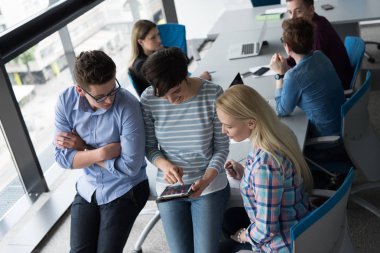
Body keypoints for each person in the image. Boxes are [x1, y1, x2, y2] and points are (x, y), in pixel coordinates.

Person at [54, 50, 149, 253]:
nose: (109, 100)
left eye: (112, 89)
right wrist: (101, 153)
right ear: (80, 91)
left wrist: (82, 150)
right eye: (100, 96)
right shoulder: (66, 101)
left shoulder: (128, 105)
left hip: (126, 188)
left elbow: (130, 167)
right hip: (89, 186)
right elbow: (62, 158)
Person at [140, 47, 230, 253]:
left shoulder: (212, 94)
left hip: (209, 183)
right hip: (170, 186)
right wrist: (165, 165)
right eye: (163, 96)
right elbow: (150, 147)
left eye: (175, 93)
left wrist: (206, 180)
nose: (171, 100)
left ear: (185, 76)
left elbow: (221, 148)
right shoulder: (148, 99)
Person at [216, 85, 313, 253]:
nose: (223, 131)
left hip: (284, 244)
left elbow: (266, 229)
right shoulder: (280, 133)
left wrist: (243, 235)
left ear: (251, 123)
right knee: (229, 218)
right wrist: (245, 172)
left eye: (228, 126)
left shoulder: (265, 166)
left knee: (218, 248)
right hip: (301, 221)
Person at [270, 18, 345, 138]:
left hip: (326, 137)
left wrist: (279, 75)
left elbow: (282, 111)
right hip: (343, 125)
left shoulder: (293, 76)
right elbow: (303, 76)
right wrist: (286, 70)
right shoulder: (320, 56)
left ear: (287, 47)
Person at [129, 19, 212, 96]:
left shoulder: (157, 50)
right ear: (140, 42)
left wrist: (161, 53)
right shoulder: (139, 65)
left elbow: (184, 59)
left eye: (158, 34)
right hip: (165, 101)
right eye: (153, 38)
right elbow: (169, 84)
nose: (159, 40)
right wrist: (200, 80)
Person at [285, 0, 353, 90]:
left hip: (336, 84)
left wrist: (286, 67)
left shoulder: (318, 31)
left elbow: (311, 68)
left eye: (298, 11)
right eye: (290, 12)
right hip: (326, 75)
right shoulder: (307, 27)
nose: (293, 18)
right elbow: (303, 56)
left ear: (311, 10)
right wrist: (286, 62)